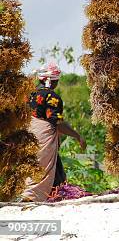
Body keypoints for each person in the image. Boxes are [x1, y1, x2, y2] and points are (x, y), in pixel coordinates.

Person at [21, 62, 86, 201]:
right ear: (52, 81)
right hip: (43, 138)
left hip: (29, 137)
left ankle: (54, 193)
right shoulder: (52, 97)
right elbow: (58, 123)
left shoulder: (30, 95)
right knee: (44, 167)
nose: (57, 83)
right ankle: (35, 197)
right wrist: (77, 136)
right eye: (56, 81)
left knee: (40, 166)